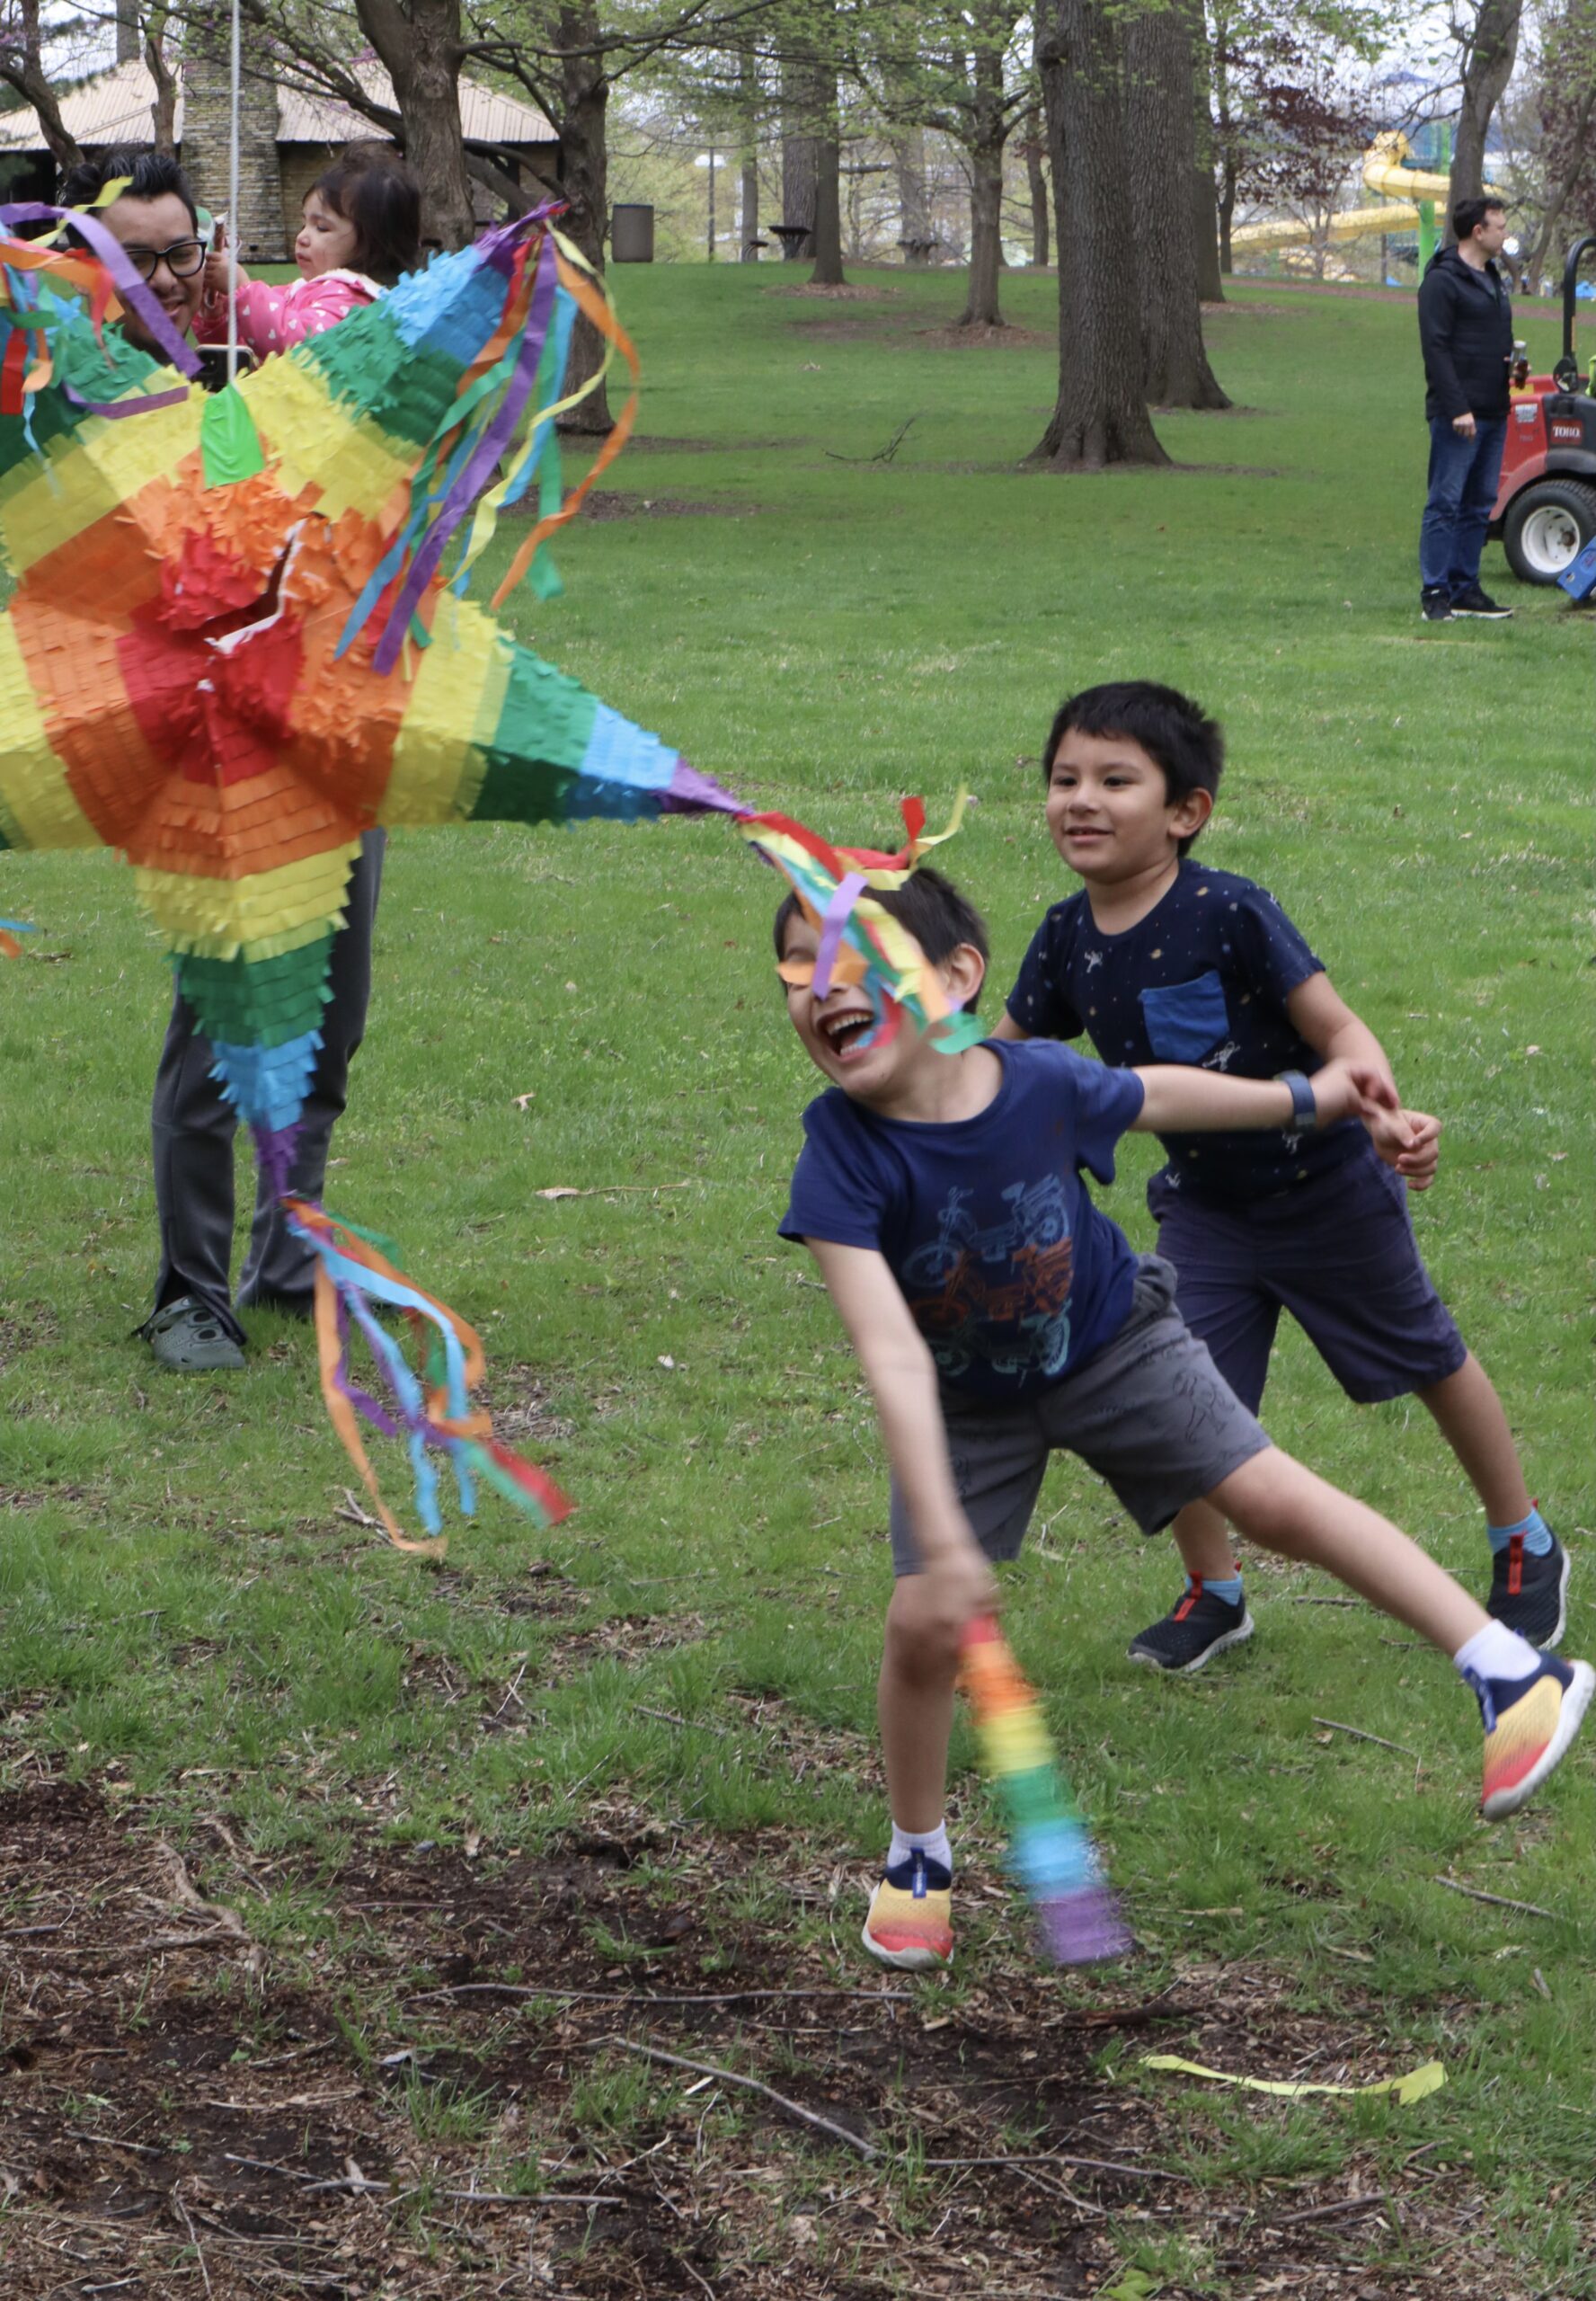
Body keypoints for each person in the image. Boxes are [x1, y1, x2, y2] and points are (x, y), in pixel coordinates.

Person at [774, 861, 1590, 1971]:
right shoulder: (842, 1150)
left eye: (854, 963)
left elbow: (1157, 1092)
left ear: (958, 978)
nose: (823, 990)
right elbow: (888, 1352)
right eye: (798, 972)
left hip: (1112, 1337)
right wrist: (944, 1530)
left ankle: (1508, 1670)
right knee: (923, 1624)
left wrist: (1311, 1097)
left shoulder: (1037, 1080)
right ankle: (918, 1852)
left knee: (1269, 1497)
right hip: (964, 1400)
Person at [997, 681, 1567, 1671]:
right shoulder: (1065, 938)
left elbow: (1338, 1032)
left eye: (1115, 780)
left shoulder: (1229, 912)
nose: (1080, 799)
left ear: (1186, 813)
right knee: (1173, 1401)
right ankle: (1216, 1592)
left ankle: (1523, 1538)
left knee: (1427, 1357)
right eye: (1064, 778)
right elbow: (998, 1062)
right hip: (1207, 1211)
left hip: (1327, 1193)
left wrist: (1386, 1115)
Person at [57, 147, 386, 1373]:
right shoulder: (86, 382)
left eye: (176, 253)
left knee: (327, 1023)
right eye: (130, 255)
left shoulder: (286, 361)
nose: (159, 276)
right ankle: (192, 1292)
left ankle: (289, 1263)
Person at [197, 144, 421, 359]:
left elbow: (300, 347)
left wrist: (243, 289)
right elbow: (249, 345)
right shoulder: (299, 290)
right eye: (304, 224)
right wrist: (217, 317)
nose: (302, 237)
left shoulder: (354, 302)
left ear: (375, 244)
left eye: (321, 228)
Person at [1417, 195, 1517, 622]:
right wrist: (1457, 407)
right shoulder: (1443, 280)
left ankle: (1465, 586)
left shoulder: (1493, 277)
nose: (1504, 232)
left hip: (1494, 407)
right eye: (1499, 226)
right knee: (1446, 500)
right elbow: (1435, 348)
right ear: (1477, 231)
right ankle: (1435, 591)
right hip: (1459, 413)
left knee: (1480, 502)